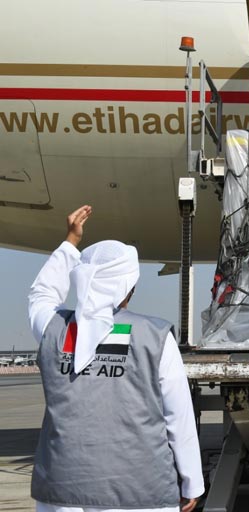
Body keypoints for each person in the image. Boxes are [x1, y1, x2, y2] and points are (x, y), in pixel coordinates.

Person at [28, 205, 204, 512]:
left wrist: (70, 242)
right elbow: (178, 418)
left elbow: (41, 294)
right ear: (129, 287)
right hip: (142, 493)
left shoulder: (53, 329)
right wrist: (191, 482)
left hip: (61, 493)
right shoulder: (155, 336)